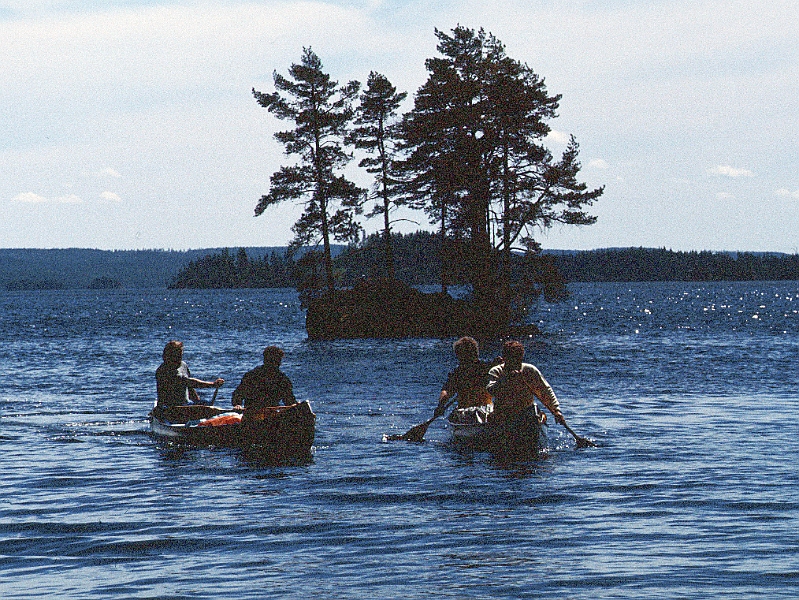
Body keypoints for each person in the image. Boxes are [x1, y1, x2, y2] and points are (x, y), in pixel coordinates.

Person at [487, 340, 565, 427]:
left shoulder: (529, 370)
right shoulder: (496, 371)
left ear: (521, 357)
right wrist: (506, 379)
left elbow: (545, 391)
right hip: (503, 414)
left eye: (517, 360)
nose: (514, 363)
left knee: (530, 419)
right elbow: (491, 390)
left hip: (526, 414)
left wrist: (556, 411)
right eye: (511, 359)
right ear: (504, 358)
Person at [432, 336, 497, 419]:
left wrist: (440, 406)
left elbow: (446, 392)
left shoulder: (457, 374)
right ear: (476, 353)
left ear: (459, 355)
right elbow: (446, 393)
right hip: (487, 410)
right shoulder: (489, 367)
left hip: (466, 412)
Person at [155, 340, 224, 411]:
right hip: (168, 408)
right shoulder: (163, 370)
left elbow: (189, 387)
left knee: (205, 404)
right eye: (176, 355)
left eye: (180, 354)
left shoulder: (183, 365)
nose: (179, 357)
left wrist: (197, 402)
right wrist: (212, 384)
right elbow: (189, 382)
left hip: (185, 405)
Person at [232, 346, 296, 411]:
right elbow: (238, 394)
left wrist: (294, 405)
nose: (276, 364)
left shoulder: (282, 379)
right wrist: (238, 405)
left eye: (277, 361)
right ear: (265, 360)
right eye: (272, 361)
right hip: (252, 415)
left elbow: (289, 401)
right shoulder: (252, 376)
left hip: (272, 415)